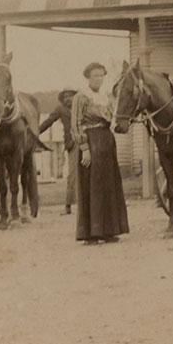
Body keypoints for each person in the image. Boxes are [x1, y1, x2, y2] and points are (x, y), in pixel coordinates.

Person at [71, 62, 129, 245]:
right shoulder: (81, 97)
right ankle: (91, 233)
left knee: (109, 184)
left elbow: (115, 117)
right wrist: (85, 149)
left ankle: (109, 231)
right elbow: (76, 125)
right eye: (95, 76)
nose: (98, 79)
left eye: (101, 75)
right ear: (88, 77)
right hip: (91, 142)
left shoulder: (106, 97)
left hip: (106, 141)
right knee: (92, 186)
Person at [38, 88, 79, 215]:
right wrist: (35, 132)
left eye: (70, 96)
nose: (68, 99)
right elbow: (49, 121)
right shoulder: (60, 109)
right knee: (73, 175)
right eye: (65, 97)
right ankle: (68, 205)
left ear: (75, 97)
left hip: (88, 142)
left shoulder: (82, 106)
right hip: (73, 144)